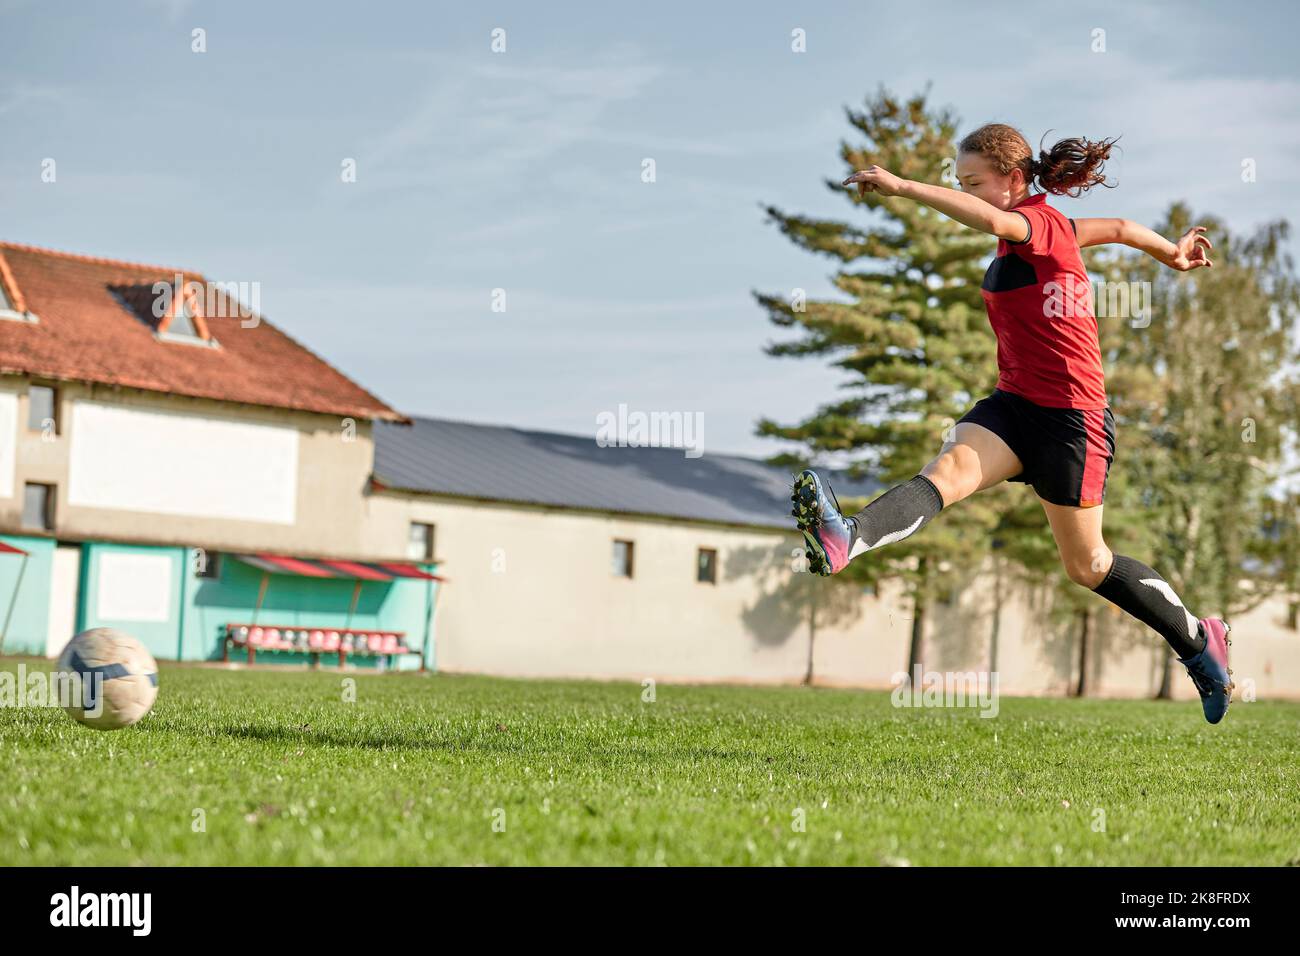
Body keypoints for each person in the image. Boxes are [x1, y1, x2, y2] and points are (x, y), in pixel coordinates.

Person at [792, 123, 1233, 723]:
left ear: (1012, 180)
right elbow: (1123, 229)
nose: (966, 192)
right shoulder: (1056, 233)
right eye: (960, 183)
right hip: (1015, 405)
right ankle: (847, 537)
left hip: (1071, 421)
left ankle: (1199, 641)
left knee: (1089, 566)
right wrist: (1172, 253)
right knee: (945, 473)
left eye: (973, 183)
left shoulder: (1037, 223)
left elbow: (996, 222)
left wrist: (902, 186)